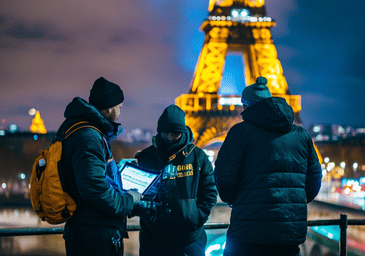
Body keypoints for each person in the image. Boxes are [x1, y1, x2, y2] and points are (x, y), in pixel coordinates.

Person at [214, 76, 322, 256]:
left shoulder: (239, 133)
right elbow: (314, 180)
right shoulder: (302, 136)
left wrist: (235, 201)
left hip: (248, 233)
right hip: (288, 234)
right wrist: (292, 201)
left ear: (246, 107)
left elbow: (224, 179)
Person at [58, 77, 142, 256]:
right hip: (95, 235)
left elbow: (90, 173)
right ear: (110, 107)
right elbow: (93, 187)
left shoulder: (83, 130)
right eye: (119, 106)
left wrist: (116, 170)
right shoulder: (89, 136)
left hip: (88, 230)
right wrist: (129, 200)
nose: (120, 110)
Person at [134, 104, 218, 256]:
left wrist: (195, 219)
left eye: (175, 133)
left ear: (182, 131)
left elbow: (210, 192)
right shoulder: (146, 157)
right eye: (166, 133)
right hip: (155, 239)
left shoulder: (198, 157)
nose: (170, 137)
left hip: (187, 239)